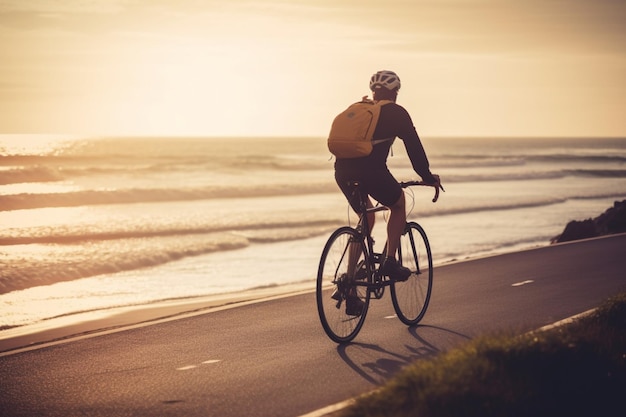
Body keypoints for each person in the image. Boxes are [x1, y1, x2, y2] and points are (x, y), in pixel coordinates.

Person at [334, 70, 440, 316]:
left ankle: (349, 282)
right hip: (371, 172)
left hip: (342, 171)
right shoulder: (396, 112)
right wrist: (426, 176)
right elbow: (414, 148)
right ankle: (390, 261)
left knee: (367, 216)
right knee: (398, 204)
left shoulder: (361, 108)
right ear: (396, 92)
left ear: (374, 91)